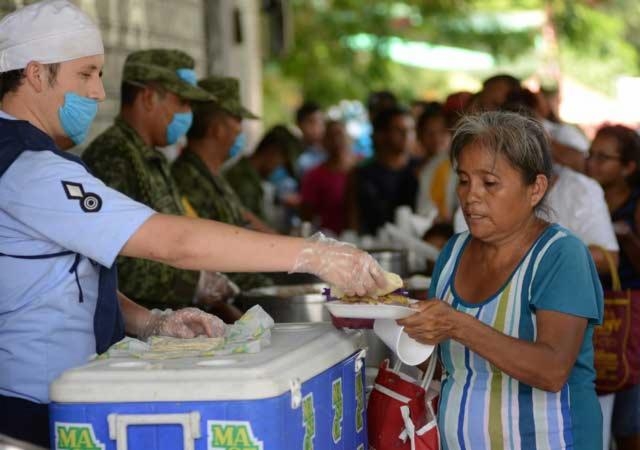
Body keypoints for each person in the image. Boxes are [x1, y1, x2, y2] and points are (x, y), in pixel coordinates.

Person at [0, 2, 390, 446]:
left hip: (62, 402)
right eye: (86, 74)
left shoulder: (38, 162)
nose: (98, 93)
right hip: (27, 417)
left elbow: (63, 277)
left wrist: (149, 323)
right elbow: (173, 241)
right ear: (35, 74)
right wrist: (315, 255)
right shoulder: (27, 169)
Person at [399, 111, 604, 449]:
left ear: (535, 188)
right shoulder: (453, 252)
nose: (471, 196)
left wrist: (458, 325)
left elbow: (552, 370)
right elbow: (438, 362)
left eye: (489, 183)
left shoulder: (560, 256)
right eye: (464, 180)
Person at [82, 48, 240, 312]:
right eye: (182, 103)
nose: (188, 114)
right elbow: (115, 262)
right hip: (138, 330)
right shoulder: (113, 156)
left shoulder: (152, 158)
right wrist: (194, 284)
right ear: (148, 98)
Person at [171, 75, 275, 291]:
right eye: (237, 120)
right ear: (216, 129)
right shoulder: (186, 178)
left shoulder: (214, 175)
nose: (240, 129)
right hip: (227, 302)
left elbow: (244, 218)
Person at [587, 124, 640, 450]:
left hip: (630, 316)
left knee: (628, 416)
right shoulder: (587, 198)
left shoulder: (635, 204)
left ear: (628, 167)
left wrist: (624, 237)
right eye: (591, 155)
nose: (592, 163)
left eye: (603, 158)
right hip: (595, 312)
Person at [346, 105, 418, 235]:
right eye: (398, 130)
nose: (406, 135)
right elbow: (353, 218)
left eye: (411, 130)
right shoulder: (362, 174)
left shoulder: (421, 170)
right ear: (381, 134)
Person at [224, 125, 295, 226]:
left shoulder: (250, 178)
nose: (279, 168)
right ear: (272, 152)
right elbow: (250, 228)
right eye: (282, 163)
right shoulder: (244, 182)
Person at [300, 120, 354, 235]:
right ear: (323, 142)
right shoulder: (314, 176)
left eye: (340, 134)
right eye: (331, 136)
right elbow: (306, 216)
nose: (336, 141)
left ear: (348, 138)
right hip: (330, 239)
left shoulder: (362, 169)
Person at [414, 103, 456, 221]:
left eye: (442, 132)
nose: (436, 138)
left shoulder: (457, 167)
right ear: (419, 135)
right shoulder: (413, 170)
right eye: (430, 133)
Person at [295, 101, 326, 177]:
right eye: (311, 122)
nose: (317, 128)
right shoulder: (293, 152)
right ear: (299, 124)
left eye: (320, 122)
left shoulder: (330, 152)